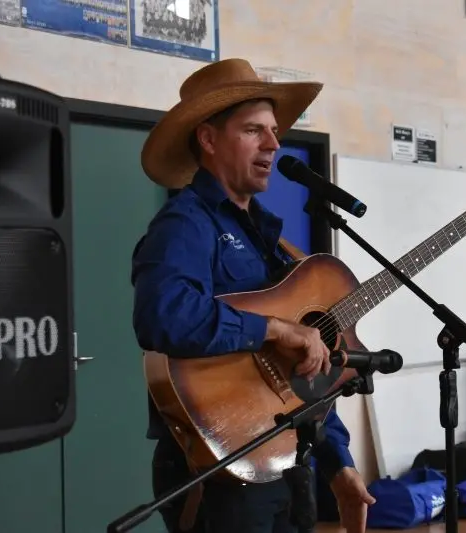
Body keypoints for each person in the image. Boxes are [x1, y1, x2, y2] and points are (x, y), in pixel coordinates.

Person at [131, 58, 376, 533]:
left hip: (287, 461)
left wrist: (338, 462)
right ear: (208, 139)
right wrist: (276, 328)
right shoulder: (186, 224)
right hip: (218, 469)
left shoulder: (268, 237)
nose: (273, 143)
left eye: (274, 131)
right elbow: (163, 315)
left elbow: (299, 375)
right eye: (253, 130)